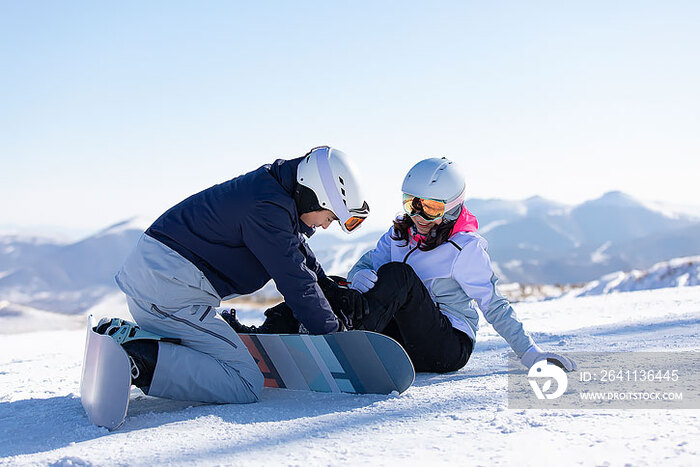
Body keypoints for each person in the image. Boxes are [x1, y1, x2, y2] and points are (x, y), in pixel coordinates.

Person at [230, 157, 576, 375]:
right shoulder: (399, 235)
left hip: (447, 345)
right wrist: (361, 277)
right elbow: (364, 267)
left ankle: (346, 341)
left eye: (430, 208)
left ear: (452, 208)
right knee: (328, 283)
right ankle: (263, 335)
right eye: (412, 203)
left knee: (399, 276)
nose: (418, 216)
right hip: (400, 336)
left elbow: (494, 306)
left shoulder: (465, 248)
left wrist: (530, 354)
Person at [106, 146, 370, 404]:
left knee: (213, 358)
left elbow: (295, 250)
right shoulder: (267, 209)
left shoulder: (273, 193)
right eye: (330, 217)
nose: (326, 225)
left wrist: (326, 285)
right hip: (167, 293)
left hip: (158, 282)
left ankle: (131, 337)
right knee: (245, 382)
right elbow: (296, 282)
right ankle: (136, 359)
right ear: (316, 197)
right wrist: (335, 340)